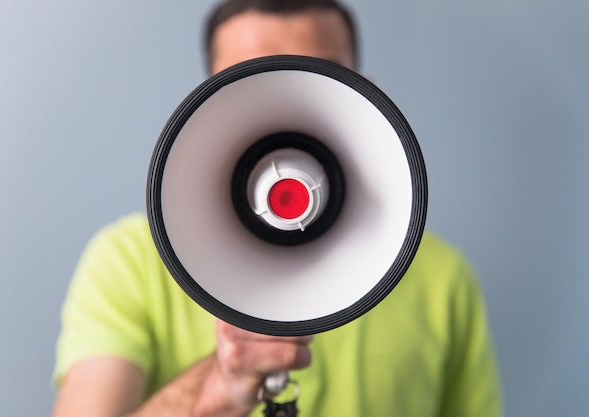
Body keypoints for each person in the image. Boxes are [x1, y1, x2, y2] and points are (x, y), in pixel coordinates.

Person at [51, 1, 504, 416]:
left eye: (317, 73)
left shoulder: (443, 279)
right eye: (254, 76)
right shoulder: (127, 263)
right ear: (207, 95)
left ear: (365, 91)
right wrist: (212, 392)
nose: (287, 88)